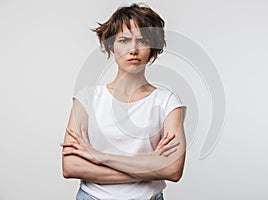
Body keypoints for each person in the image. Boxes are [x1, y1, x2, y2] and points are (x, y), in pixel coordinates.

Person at [61, 3, 187, 200]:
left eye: (142, 40)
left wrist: (100, 157)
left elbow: (172, 169)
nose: (133, 49)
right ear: (111, 44)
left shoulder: (167, 102)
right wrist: (150, 164)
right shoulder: (87, 99)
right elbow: (70, 166)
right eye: (124, 40)